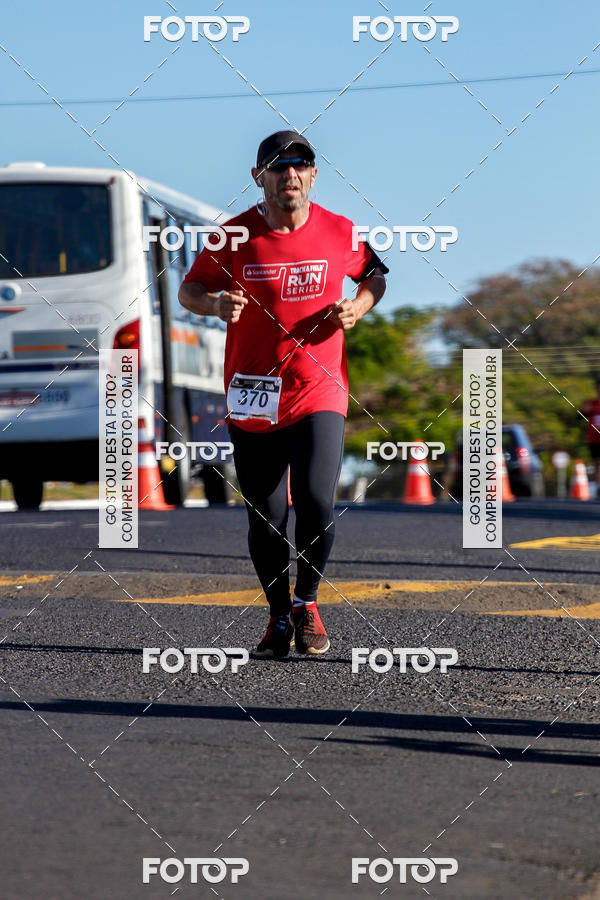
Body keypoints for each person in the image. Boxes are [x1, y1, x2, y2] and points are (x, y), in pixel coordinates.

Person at [178, 130, 387, 657]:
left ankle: (307, 601)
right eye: (277, 166)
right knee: (267, 516)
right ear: (259, 177)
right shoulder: (231, 236)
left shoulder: (339, 231)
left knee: (316, 501)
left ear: (314, 174)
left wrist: (358, 307)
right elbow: (189, 288)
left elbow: (376, 275)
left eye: (301, 164)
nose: (289, 174)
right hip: (253, 393)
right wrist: (213, 306)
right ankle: (276, 617)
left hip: (319, 389)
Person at [582, 377, 600, 487]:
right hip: (594, 440)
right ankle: (598, 487)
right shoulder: (591, 404)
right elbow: (578, 417)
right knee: (597, 464)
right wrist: (583, 410)